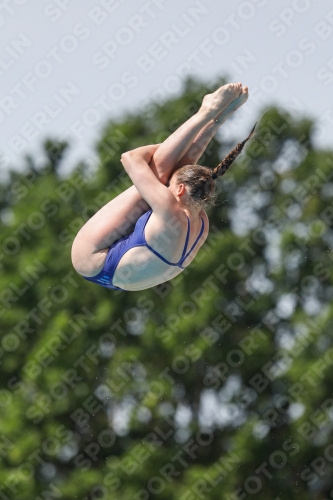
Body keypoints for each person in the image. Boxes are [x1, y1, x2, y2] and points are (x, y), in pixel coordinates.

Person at [71, 82, 255, 291]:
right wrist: (175, 155)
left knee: (159, 171)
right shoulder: (200, 224)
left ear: (180, 190)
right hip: (115, 280)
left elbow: (130, 158)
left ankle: (207, 114)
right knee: (167, 171)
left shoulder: (172, 209)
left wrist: (171, 146)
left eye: (171, 185)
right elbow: (182, 172)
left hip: (90, 258)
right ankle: (214, 118)